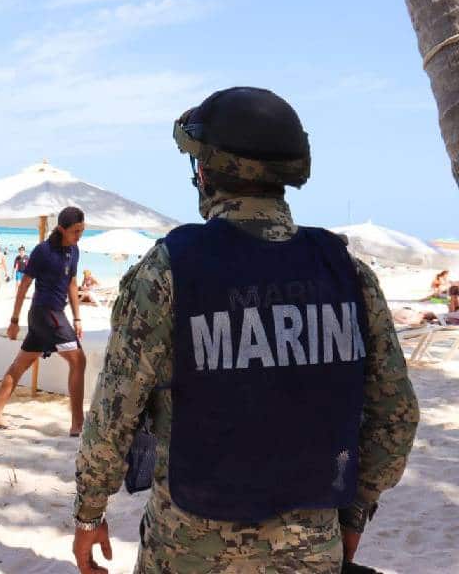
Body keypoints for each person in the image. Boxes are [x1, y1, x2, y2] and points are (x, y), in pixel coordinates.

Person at [72, 87, 420, 574]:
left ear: (208, 172)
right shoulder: (349, 274)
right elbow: (396, 415)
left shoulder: (169, 270)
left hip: (188, 546)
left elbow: (115, 412)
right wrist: (355, 511)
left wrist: (89, 514)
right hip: (312, 547)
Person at [0, 206, 87, 436]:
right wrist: (14, 320)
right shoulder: (43, 251)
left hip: (52, 315)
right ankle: (78, 423)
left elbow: (71, 282)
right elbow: (24, 285)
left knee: (20, 364)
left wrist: (78, 317)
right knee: (79, 361)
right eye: (75, 231)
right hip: (45, 313)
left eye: (82, 230)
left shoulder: (74, 250)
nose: (79, 235)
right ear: (61, 229)